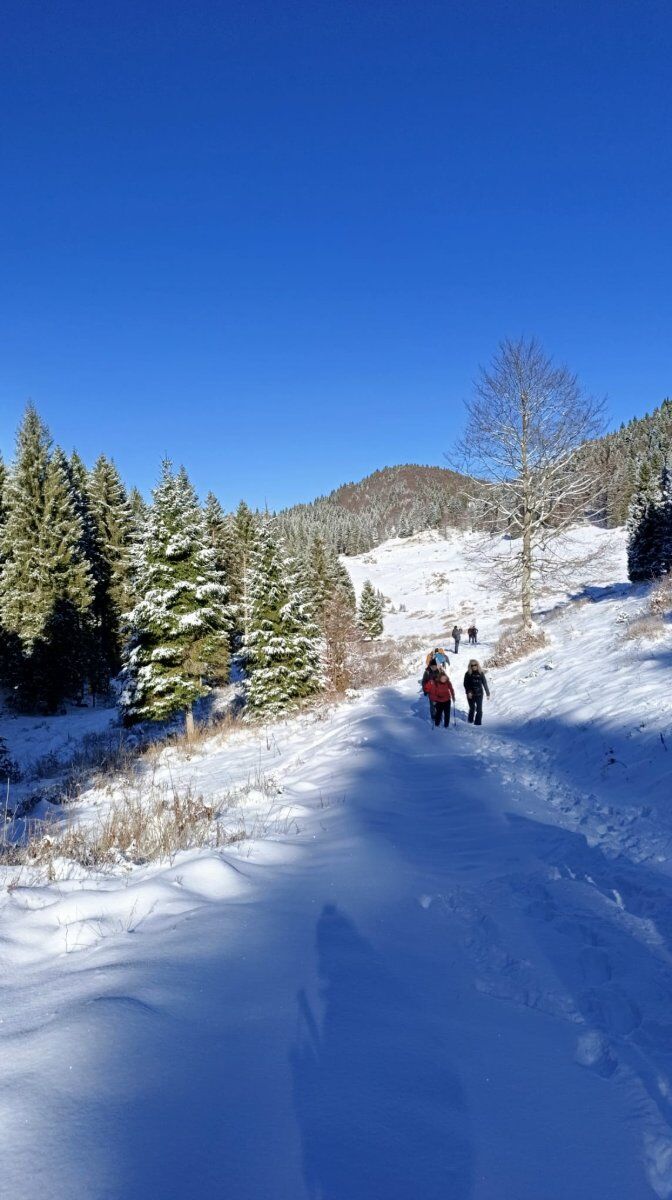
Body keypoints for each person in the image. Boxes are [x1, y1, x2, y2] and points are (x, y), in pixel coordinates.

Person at [464, 659, 490, 725]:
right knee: (472, 708)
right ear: (470, 666)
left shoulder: (481, 673)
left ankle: (478, 724)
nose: (474, 666)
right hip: (470, 694)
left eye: (475, 665)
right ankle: (470, 721)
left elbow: (484, 683)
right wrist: (468, 692)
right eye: (472, 665)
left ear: (477, 665)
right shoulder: (467, 674)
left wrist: (488, 693)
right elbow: (465, 684)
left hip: (479, 694)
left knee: (479, 709)